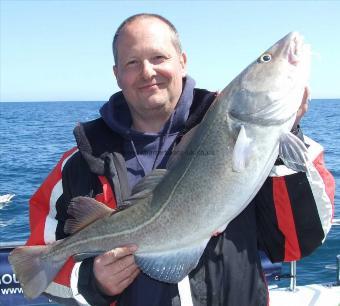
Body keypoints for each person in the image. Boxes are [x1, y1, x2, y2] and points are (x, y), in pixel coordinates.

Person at [26, 13, 335, 306]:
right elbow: (44, 275)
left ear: (182, 62)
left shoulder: (254, 135)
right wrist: (94, 283)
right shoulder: (81, 163)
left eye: (159, 58)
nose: (147, 71)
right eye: (132, 62)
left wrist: (284, 137)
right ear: (117, 74)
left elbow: (296, 242)